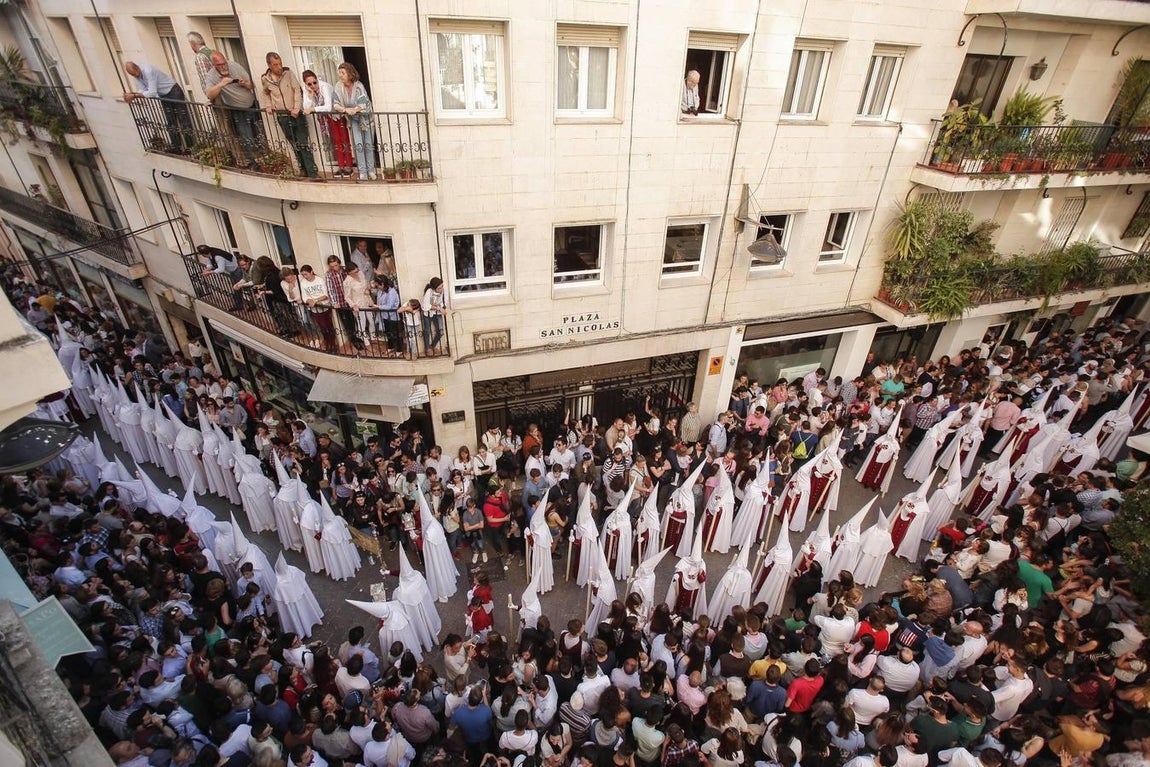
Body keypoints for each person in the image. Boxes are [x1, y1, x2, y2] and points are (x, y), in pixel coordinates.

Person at [260, 52, 318, 178]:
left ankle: (313, 173)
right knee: (294, 144)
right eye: (276, 65)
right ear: (269, 65)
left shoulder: (288, 73)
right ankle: (303, 170)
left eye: (280, 63)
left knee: (303, 144)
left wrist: (297, 108)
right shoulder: (265, 79)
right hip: (282, 116)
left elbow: (297, 89)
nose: (279, 67)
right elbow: (265, 93)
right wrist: (268, 105)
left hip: (297, 115)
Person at [204, 50, 265, 169]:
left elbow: (252, 85)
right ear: (214, 65)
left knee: (259, 132)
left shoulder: (235, 66)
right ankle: (253, 163)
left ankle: (263, 157)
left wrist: (244, 83)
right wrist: (221, 84)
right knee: (246, 136)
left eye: (224, 63)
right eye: (220, 65)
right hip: (237, 110)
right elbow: (209, 94)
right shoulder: (211, 75)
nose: (223, 66)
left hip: (252, 105)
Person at [123, 61, 191, 152]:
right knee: (170, 121)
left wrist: (134, 96)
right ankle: (176, 147)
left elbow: (152, 93)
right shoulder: (136, 76)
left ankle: (191, 148)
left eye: (135, 74)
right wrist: (132, 94)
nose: (136, 76)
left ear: (137, 68)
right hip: (163, 95)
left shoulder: (148, 71)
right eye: (132, 75)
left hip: (173, 91)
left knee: (184, 119)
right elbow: (143, 90)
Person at [301, 68, 353, 177]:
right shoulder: (308, 90)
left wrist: (313, 109)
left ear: (317, 80)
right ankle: (341, 166)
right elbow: (306, 108)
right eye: (309, 84)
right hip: (327, 117)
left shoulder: (324, 87)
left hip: (337, 114)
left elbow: (328, 107)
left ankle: (348, 165)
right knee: (336, 141)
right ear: (306, 84)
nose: (313, 85)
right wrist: (310, 96)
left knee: (344, 140)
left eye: (314, 82)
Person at [333, 62, 375, 181]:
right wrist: (346, 110)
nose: (340, 75)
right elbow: (335, 105)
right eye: (339, 73)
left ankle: (371, 170)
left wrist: (355, 109)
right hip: (354, 120)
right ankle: (363, 172)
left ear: (350, 73)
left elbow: (363, 103)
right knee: (358, 145)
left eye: (343, 73)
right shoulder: (338, 86)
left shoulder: (359, 85)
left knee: (368, 145)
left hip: (366, 118)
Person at [421, 277, 447, 355]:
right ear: (434, 288)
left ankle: (432, 346)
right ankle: (427, 348)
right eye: (439, 288)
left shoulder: (443, 291)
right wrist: (438, 307)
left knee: (441, 332)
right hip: (428, 314)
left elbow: (444, 302)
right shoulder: (429, 292)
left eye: (442, 286)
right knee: (427, 331)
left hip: (437, 313)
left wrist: (439, 306)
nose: (441, 289)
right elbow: (425, 306)